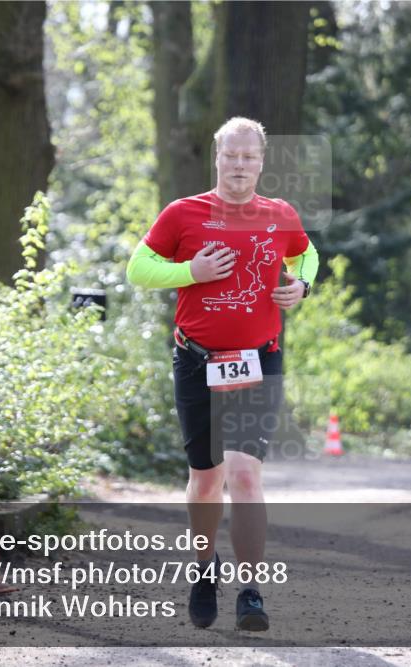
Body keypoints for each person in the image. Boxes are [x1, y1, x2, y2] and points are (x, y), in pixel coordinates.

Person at [126, 117, 319, 631]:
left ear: (261, 161)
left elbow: (307, 255)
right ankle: (204, 570)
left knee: (245, 476)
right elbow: (138, 269)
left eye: (249, 157)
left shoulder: (279, 214)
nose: (239, 165)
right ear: (217, 158)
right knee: (206, 480)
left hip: (259, 360)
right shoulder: (183, 214)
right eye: (231, 156)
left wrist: (302, 287)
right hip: (195, 361)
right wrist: (191, 272)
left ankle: (250, 593)